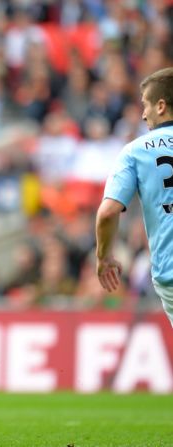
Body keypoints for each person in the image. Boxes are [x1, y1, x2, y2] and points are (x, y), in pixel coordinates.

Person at [96, 67, 173, 326]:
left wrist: (104, 257)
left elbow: (107, 212)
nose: (143, 114)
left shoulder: (135, 151)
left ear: (161, 106)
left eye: (146, 105)